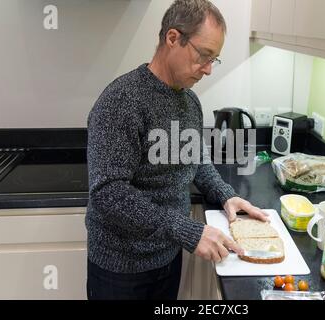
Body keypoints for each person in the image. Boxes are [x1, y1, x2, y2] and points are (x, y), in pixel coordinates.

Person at [86, 0, 268, 300]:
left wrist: (226, 194)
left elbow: (195, 158)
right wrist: (186, 230)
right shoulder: (120, 101)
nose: (209, 69)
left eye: (215, 59)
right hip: (121, 268)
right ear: (173, 38)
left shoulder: (189, 101)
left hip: (168, 256)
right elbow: (108, 192)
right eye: (204, 55)